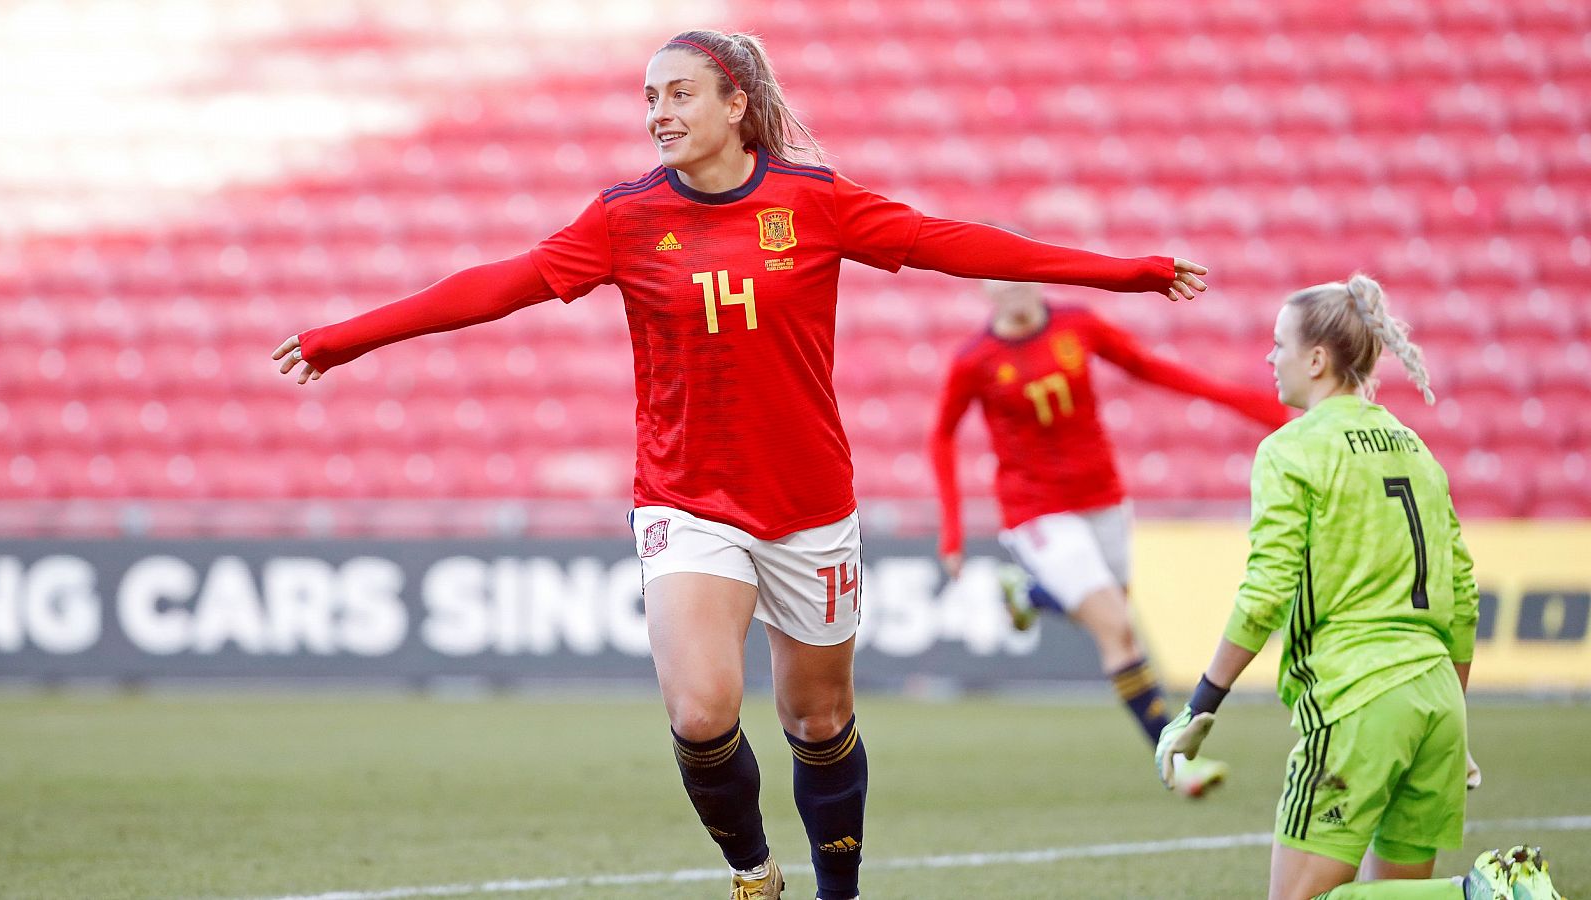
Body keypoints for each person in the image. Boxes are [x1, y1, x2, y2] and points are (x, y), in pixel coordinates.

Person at [273, 29, 1208, 900]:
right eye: (649, 99)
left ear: (736, 105)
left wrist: (1127, 271)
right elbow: (495, 287)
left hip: (808, 506)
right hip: (686, 498)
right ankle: (754, 871)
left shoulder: (815, 202)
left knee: (817, 721)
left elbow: (957, 245)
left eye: (681, 94)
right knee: (701, 708)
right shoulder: (625, 219)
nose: (659, 114)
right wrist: (347, 339)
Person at [1152, 275, 1564, 900]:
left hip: (1356, 703)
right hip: (1438, 704)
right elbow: (1463, 592)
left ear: (1316, 359)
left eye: (1278, 343)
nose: (1270, 357)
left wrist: (1201, 702)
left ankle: (1480, 894)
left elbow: (1266, 591)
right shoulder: (1415, 448)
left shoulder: (1290, 450)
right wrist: (1453, 710)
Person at [930, 275, 1292, 798]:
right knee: (1119, 630)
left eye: (1017, 278)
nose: (1010, 290)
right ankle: (1175, 758)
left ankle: (1028, 593)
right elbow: (942, 435)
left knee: (1112, 618)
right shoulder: (976, 360)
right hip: (1036, 509)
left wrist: (1248, 405)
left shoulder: (1078, 326)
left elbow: (1150, 367)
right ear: (984, 291)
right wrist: (953, 530)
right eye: (997, 282)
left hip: (1103, 497)